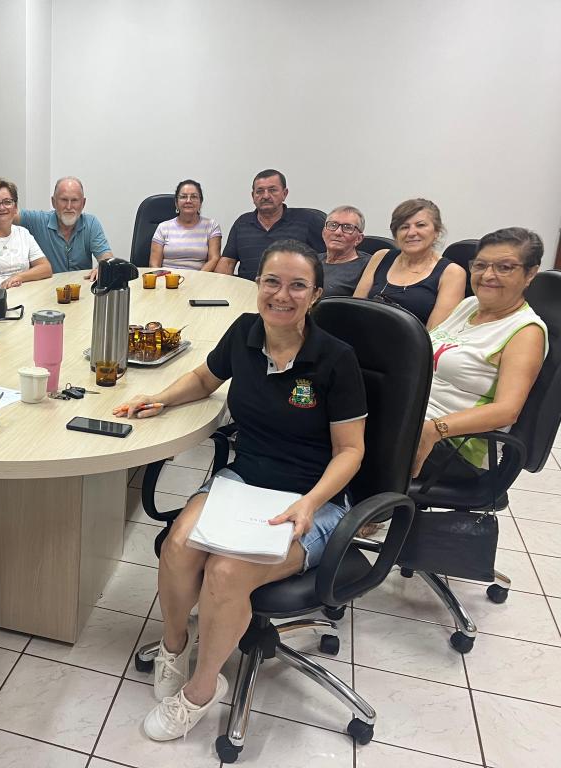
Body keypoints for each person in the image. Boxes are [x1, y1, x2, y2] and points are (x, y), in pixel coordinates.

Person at [115, 239, 367, 741]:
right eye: (272, 281)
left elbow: (350, 451)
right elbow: (204, 378)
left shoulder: (336, 359)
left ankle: (202, 690)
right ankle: (174, 646)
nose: (282, 295)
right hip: (245, 479)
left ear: (315, 295)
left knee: (227, 571)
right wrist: (160, 399)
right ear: (258, 284)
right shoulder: (245, 332)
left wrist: (310, 503)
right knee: (179, 545)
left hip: (311, 499)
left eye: (297, 285)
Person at [412, 227, 547, 480]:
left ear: (530, 274)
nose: (488, 275)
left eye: (504, 267)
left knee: (352, 440)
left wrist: (435, 429)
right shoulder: (468, 305)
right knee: (339, 416)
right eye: (480, 265)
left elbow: (507, 410)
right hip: (415, 418)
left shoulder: (526, 331)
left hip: (456, 446)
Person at [0, 176, 113, 279]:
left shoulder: (91, 223)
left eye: (74, 200)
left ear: (83, 203)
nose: (69, 206)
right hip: (47, 294)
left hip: (81, 293)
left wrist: (104, 266)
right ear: (53, 202)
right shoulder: (37, 221)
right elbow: (5, 210)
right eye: (63, 200)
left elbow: (106, 257)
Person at [353, 198, 466, 329]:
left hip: (412, 342)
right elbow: (354, 309)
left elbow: (435, 334)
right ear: (396, 235)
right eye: (404, 227)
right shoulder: (380, 257)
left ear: (436, 232)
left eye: (421, 225)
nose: (411, 233)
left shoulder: (452, 273)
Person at [219, 169, 326, 281]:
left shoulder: (307, 220)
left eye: (272, 190)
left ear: (284, 194)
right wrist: (220, 286)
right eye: (260, 191)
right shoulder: (242, 223)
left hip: (292, 289)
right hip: (248, 289)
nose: (266, 196)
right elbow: (227, 262)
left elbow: (327, 260)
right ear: (253, 196)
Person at [149, 179, 222, 272]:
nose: (188, 201)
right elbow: (154, 264)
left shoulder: (211, 226)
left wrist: (198, 278)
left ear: (200, 203)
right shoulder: (163, 227)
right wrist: (164, 278)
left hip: (199, 277)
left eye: (194, 197)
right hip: (167, 278)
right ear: (176, 203)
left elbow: (214, 259)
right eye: (183, 197)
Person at [318, 206, 371, 297]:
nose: (338, 232)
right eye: (333, 225)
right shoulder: (310, 260)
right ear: (323, 233)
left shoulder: (369, 266)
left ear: (358, 238)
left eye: (347, 227)